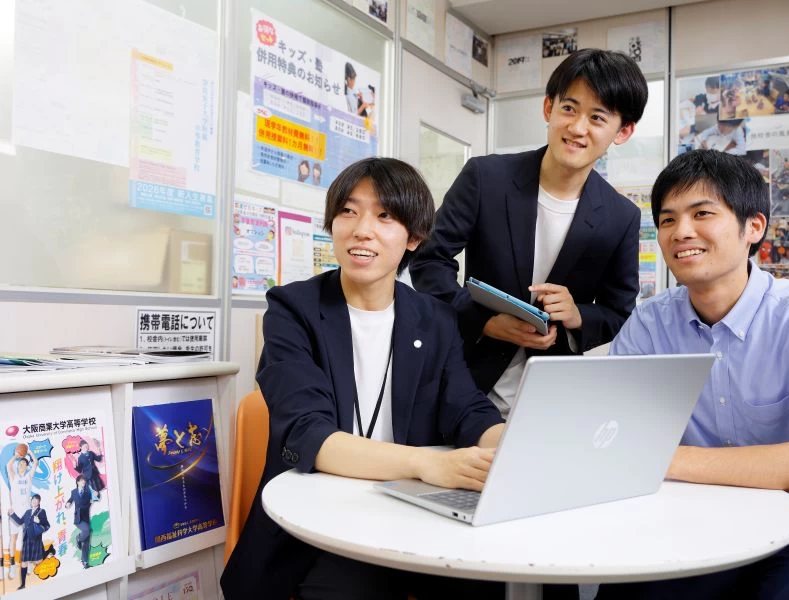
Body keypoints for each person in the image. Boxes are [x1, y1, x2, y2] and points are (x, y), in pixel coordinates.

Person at [596, 150, 789, 599]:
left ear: (754, 226)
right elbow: (608, 434)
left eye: (702, 214)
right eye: (668, 219)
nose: (682, 232)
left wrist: (665, 459)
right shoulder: (648, 324)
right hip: (697, 519)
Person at [221, 157, 506, 600]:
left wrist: (507, 444)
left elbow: (467, 408)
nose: (361, 229)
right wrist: (427, 464)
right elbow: (309, 434)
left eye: (385, 216)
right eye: (348, 212)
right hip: (321, 524)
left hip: (415, 516)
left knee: (487, 582)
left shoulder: (434, 318)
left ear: (414, 237)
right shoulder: (293, 311)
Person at [410, 49, 647, 422]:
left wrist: (576, 316)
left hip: (554, 399)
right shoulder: (486, 178)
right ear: (548, 108)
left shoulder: (621, 217)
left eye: (597, 117)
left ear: (623, 131)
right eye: (569, 108)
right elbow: (429, 259)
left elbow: (618, 311)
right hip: (463, 381)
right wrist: (482, 320)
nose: (578, 127)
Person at [5, 450, 37, 580]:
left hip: (27, 512)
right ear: (18, 466)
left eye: (24, 463)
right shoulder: (14, 477)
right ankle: (13, 565)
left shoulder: (28, 477)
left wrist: (28, 452)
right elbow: (8, 466)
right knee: (13, 539)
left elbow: (36, 462)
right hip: (15, 512)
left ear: (26, 466)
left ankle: (28, 563)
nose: (21, 465)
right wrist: (16, 456)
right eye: (20, 464)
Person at [7, 494, 50, 590]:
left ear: (39, 502)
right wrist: (12, 514)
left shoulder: (42, 512)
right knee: (24, 562)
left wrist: (39, 521)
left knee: (39, 561)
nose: (34, 501)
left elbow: (47, 525)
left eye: (36, 500)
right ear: (31, 501)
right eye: (33, 499)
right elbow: (19, 522)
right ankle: (23, 585)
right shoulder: (27, 512)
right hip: (26, 539)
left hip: (36, 540)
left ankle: (44, 581)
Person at [65, 475, 98, 569]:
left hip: (86, 517)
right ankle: (79, 538)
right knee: (87, 531)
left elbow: (95, 497)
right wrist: (67, 504)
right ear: (78, 482)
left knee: (87, 540)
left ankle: (85, 562)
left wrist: (96, 495)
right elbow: (71, 500)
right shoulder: (74, 492)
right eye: (82, 480)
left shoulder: (88, 491)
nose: (84, 482)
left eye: (85, 481)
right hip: (78, 518)